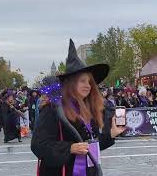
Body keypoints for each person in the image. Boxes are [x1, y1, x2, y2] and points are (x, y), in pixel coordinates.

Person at [31, 39, 125, 176]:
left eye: (89, 82)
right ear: (70, 83)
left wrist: (111, 134)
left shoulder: (88, 110)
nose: (88, 85)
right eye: (82, 81)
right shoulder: (53, 109)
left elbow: (89, 147)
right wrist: (70, 148)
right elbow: (38, 145)